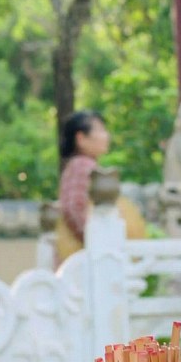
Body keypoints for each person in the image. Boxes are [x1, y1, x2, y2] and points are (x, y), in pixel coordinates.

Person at [55, 110, 145, 263]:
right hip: (86, 260)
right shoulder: (82, 165)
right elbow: (73, 208)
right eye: (100, 130)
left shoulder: (78, 165)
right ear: (81, 138)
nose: (106, 136)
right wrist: (97, 241)